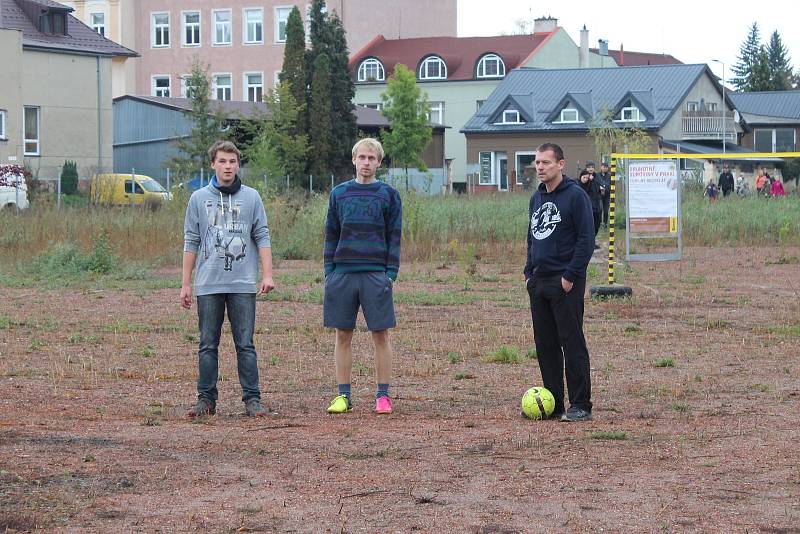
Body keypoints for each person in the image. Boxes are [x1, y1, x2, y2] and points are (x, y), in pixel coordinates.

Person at [180, 140, 275, 418]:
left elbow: (262, 235)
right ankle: (206, 400)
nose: (228, 166)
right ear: (213, 164)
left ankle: (252, 400)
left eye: (232, 162)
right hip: (209, 284)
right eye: (222, 161)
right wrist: (186, 282)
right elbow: (191, 240)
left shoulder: (252, 197)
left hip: (242, 284)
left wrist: (267, 273)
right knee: (208, 343)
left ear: (238, 164)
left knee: (245, 343)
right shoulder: (198, 199)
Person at [323, 138, 402, 415]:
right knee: (343, 334)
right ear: (353, 159)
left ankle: (383, 396)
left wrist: (390, 274)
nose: (366, 163)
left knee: (380, 335)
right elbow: (331, 234)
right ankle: (343, 395)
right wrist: (329, 273)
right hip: (342, 274)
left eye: (372, 158)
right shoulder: (339, 194)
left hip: (376, 275)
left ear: (379, 162)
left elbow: (395, 236)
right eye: (362, 157)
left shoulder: (389, 195)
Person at [524, 143, 595, 422]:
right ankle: (553, 403)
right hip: (539, 281)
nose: (540, 167)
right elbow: (532, 237)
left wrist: (569, 277)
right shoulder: (536, 198)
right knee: (546, 345)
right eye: (537, 162)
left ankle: (581, 404)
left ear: (561, 165)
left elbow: (586, 241)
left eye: (546, 162)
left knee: (571, 342)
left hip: (565, 283)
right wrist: (529, 272)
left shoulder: (576, 197)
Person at [578, 168, 602, 247]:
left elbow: (599, 191)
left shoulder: (592, 183)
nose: (585, 179)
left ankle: (592, 242)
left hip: (595, 208)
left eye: (587, 178)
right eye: (584, 177)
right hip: (583, 210)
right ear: (580, 177)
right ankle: (586, 243)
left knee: (596, 225)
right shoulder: (576, 185)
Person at [596, 162, 612, 227]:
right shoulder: (597, 175)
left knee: (606, 210)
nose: (605, 168)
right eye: (604, 167)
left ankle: (605, 223)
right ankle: (599, 223)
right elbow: (596, 183)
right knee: (599, 209)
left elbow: (610, 185)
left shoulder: (609, 176)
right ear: (601, 167)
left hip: (607, 195)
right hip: (599, 194)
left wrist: (604, 186)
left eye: (606, 167)